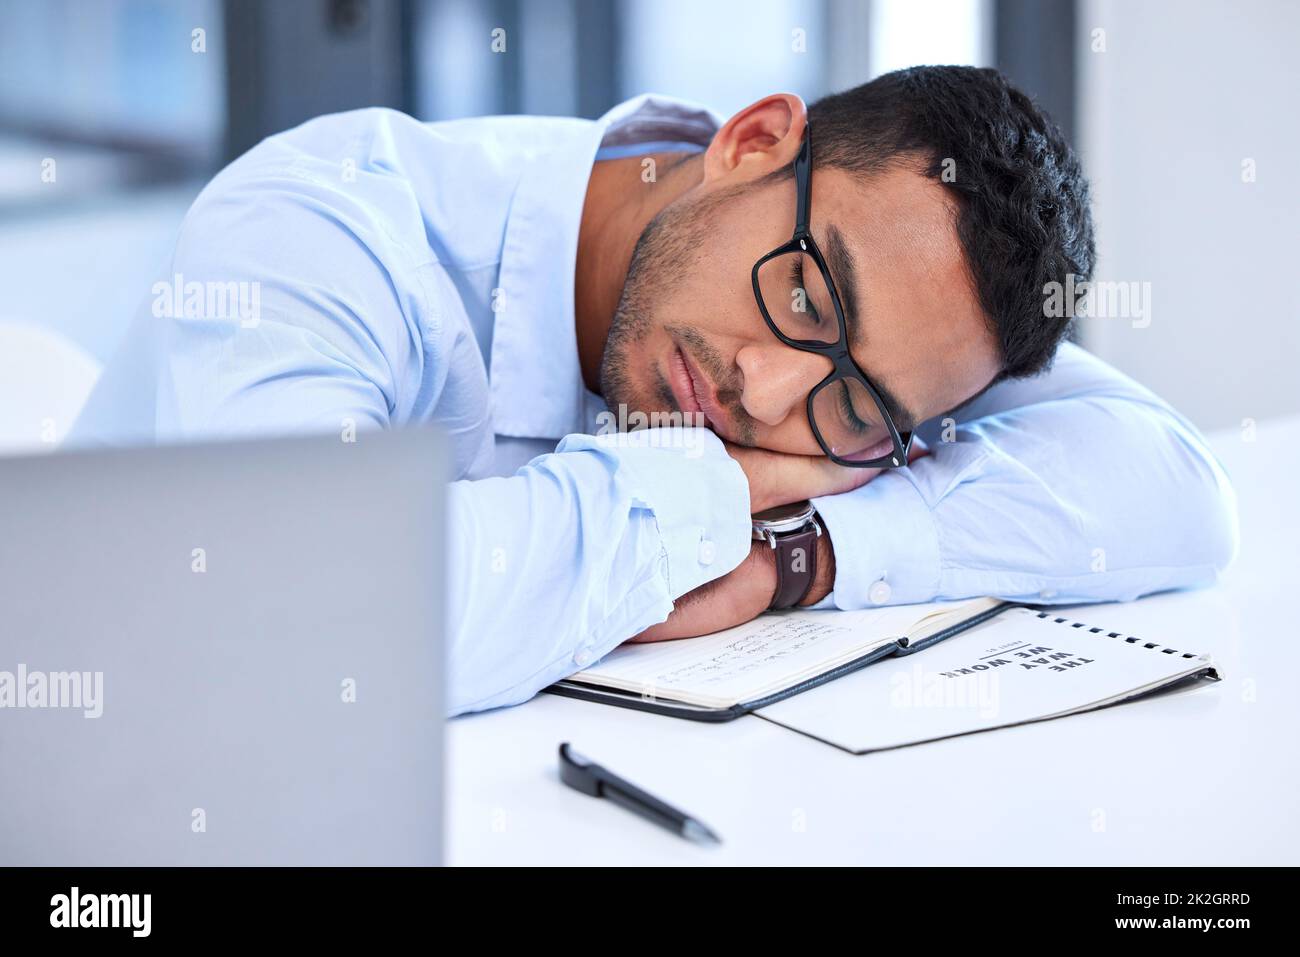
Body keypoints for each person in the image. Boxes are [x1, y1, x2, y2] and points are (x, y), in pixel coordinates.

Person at [71, 67, 1238, 715]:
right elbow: (315, 623)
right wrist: (702, 492)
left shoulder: (888, 347)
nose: (768, 393)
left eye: (859, 405)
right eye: (806, 298)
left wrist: (802, 553)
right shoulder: (324, 228)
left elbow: (1176, 490)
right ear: (752, 140)